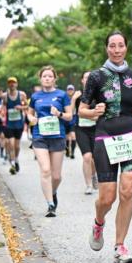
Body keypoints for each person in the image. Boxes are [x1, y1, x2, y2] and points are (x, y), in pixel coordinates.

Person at [78, 32, 132, 263]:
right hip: (105, 136)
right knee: (107, 197)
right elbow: (82, 110)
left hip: (131, 135)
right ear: (107, 48)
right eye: (112, 46)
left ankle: (120, 245)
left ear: (126, 48)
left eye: (121, 45)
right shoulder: (96, 77)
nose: (117, 50)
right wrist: (93, 112)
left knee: (128, 189)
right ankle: (99, 222)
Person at [26, 66, 73, 217]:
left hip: (58, 136)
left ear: (54, 79)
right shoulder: (35, 96)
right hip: (39, 136)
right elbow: (29, 113)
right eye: (44, 76)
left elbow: (70, 116)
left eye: (50, 76)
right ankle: (50, 204)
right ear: (40, 79)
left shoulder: (62, 95)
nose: (47, 78)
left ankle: (53, 192)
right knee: (45, 170)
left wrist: (59, 113)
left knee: (56, 176)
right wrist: (31, 119)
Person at [73, 72, 98, 194]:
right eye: (86, 78)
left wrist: (92, 116)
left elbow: (101, 114)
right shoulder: (78, 96)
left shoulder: (98, 95)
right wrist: (73, 99)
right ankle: (88, 185)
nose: (88, 80)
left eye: (90, 77)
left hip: (96, 129)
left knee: (95, 158)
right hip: (81, 129)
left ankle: (94, 176)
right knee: (87, 156)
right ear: (82, 80)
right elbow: (70, 113)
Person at [3, 77, 28, 174]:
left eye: (13, 83)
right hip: (9, 124)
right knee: (11, 144)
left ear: (16, 84)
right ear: (8, 85)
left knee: (17, 146)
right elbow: (3, 107)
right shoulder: (5, 96)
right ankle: (12, 163)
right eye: (10, 83)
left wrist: (21, 107)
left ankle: (16, 159)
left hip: (19, 123)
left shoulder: (22, 95)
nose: (12, 84)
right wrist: (2, 115)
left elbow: (28, 106)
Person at [65, 84, 78, 159]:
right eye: (69, 90)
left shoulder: (76, 98)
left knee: (73, 136)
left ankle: (72, 153)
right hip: (66, 119)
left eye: (71, 90)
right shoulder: (64, 98)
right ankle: (67, 150)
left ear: (74, 90)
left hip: (73, 119)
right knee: (67, 137)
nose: (70, 91)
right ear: (67, 91)